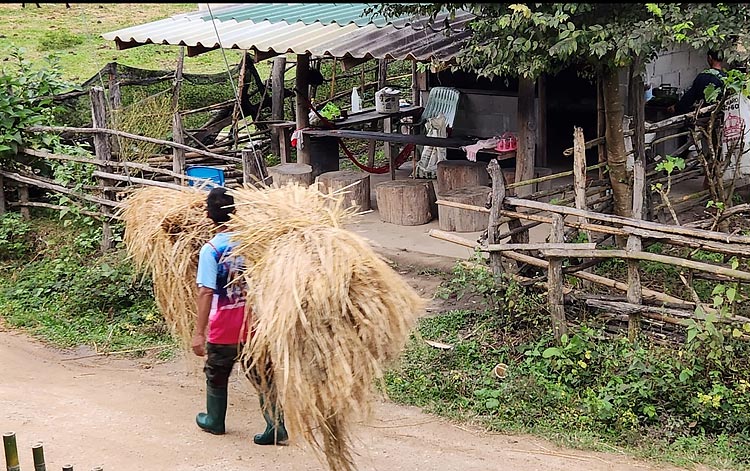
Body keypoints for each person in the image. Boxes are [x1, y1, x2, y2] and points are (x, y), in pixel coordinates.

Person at [192, 187, 288, 445]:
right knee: (263, 375)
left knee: (216, 372)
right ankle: (276, 426)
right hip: (254, 323)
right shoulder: (252, 242)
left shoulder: (211, 250)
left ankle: (214, 420)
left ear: (209, 216)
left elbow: (206, 293)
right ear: (235, 212)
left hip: (224, 327)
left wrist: (199, 333)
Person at [668, 49, 727, 115]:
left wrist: (676, 108)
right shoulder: (726, 78)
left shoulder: (702, 77)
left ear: (710, 58)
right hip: (721, 115)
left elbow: (689, 98)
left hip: (704, 115)